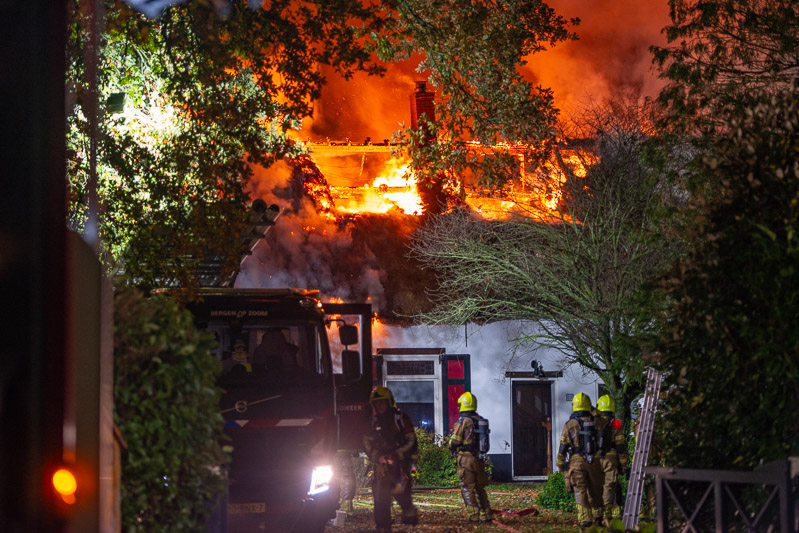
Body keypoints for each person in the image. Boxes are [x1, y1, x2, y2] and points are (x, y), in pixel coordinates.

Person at [363, 386, 419, 533]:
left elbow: (411, 440)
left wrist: (397, 454)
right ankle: (383, 528)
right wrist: (378, 457)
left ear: (389, 402)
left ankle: (410, 517)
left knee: (402, 495)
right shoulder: (373, 422)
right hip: (381, 465)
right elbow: (366, 442)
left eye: (382, 402)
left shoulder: (401, 419)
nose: (380, 406)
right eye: (377, 403)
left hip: (400, 465)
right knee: (380, 499)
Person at [556, 392, 605, 528]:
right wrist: (594, 410)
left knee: (580, 490)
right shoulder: (598, 422)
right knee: (596, 490)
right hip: (595, 460)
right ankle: (598, 518)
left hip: (576, 462)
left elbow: (563, 447)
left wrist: (560, 464)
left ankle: (585, 520)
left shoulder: (569, 424)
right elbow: (605, 422)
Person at [448, 391, 492, 523]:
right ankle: (487, 514)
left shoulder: (464, 421)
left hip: (466, 459)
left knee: (468, 487)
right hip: (478, 459)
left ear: (463, 405)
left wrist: (450, 444)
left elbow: (454, 441)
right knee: (480, 488)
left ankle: (473, 515)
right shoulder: (479, 419)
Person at [596, 394, 628, 524]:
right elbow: (620, 447)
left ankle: (596, 515)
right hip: (611, 457)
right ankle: (606, 516)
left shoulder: (593, 421)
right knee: (609, 486)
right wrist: (623, 465)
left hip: (595, 458)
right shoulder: (616, 424)